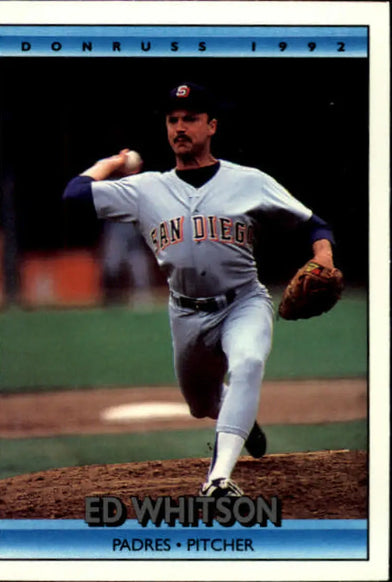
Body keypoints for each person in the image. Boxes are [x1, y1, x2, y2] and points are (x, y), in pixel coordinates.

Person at [64, 82, 336, 498]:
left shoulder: (249, 181)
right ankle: (236, 416)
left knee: (247, 361)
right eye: (172, 120)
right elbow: (74, 195)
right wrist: (112, 162)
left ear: (211, 126)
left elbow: (314, 223)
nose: (179, 127)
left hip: (243, 302)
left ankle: (219, 478)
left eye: (190, 118)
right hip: (186, 314)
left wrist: (325, 257)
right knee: (200, 404)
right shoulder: (145, 190)